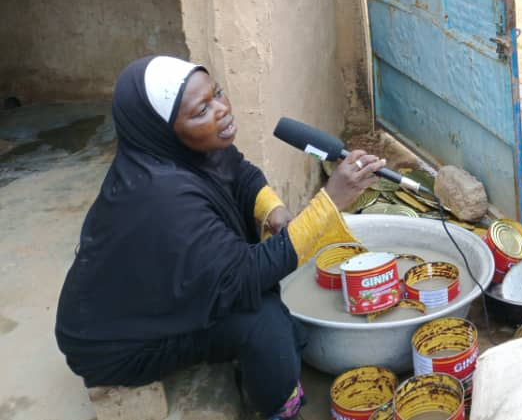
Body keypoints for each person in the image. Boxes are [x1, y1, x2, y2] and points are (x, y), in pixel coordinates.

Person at [55, 55, 386, 419]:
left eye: (218, 93)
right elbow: (245, 277)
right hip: (118, 345)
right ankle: (280, 409)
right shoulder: (161, 195)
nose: (222, 110)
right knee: (263, 322)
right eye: (201, 111)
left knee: (264, 310)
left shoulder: (184, 151)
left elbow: (240, 173)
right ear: (162, 129)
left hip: (146, 300)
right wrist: (330, 202)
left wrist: (275, 213)